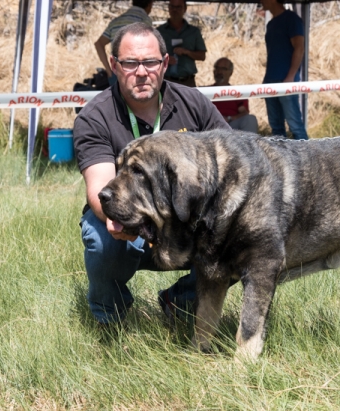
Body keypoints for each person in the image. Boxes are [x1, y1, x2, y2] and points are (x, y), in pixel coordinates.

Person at [74, 22, 231, 325]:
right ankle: (110, 319)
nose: (142, 72)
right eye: (131, 63)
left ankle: (180, 303)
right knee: (99, 233)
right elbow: (99, 188)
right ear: (114, 65)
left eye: (150, 62)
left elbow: (232, 165)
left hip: (188, 224)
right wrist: (119, 221)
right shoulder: (95, 117)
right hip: (132, 224)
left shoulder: (194, 104)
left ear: (165, 63)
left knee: (237, 234)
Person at [260, 0, 309, 140]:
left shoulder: (291, 19)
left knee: (295, 126)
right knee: (276, 127)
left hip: (286, 79)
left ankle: (309, 159)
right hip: (271, 80)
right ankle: (281, 160)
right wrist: (266, 80)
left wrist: (291, 76)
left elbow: (299, 48)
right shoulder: (270, 24)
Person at [94, 0, 154, 86]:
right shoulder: (144, 20)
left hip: (117, 70)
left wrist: (109, 71)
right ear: (149, 4)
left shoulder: (116, 21)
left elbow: (99, 44)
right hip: (136, 71)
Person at [156, 0, 207, 87]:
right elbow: (151, 56)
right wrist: (164, 60)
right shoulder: (160, 31)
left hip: (188, 82)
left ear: (185, 9)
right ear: (168, 8)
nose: (175, 10)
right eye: (172, 7)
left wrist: (187, 52)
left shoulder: (193, 32)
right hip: (166, 81)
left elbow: (202, 56)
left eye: (178, 7)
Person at [210, 57, 259, 134]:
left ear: (231, 72)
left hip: (230, 125)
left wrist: (229, 118)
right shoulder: (204, 91)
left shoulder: (237, 92)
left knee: (250, 119)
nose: (219, 71)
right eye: (217, 68)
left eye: (223, 69)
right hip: (210, 125)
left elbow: (244, 112)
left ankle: (249, 145)